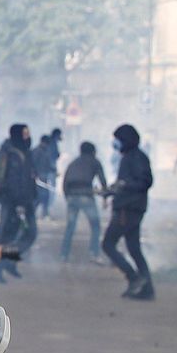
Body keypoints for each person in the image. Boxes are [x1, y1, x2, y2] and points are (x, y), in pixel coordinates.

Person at [102, 123, 155, 300]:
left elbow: (145, 182)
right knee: (134, 249)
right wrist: (112, 190)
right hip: (131, 207)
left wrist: (124, 186)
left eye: (118, 140)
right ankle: (147, 289)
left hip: (128, 208)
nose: (116, 144)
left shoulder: (136, 158)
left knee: (108, 244)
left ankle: (133, 278)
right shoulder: (130, 157)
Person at [0, 124, 38, 277]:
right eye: (25, 134)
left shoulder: (23, 152)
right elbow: (15, 182)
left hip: (23, 201)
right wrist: (20, 204)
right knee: (14, 235)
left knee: (17, 235)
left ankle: (8, 263)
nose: (28, 137)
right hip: (15, 202)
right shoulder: (13, 154)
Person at [59, 141, 108, 262]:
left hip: (72, 196)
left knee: (70, 226)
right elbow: (103, 181)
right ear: (93, 152)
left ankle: (64, 254)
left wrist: (68, 197)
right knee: (95, 225)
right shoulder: (95, 162)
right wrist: (105, 197)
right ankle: (94, 253)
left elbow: (65, 182)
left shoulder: (73, 163)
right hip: (86, 196)